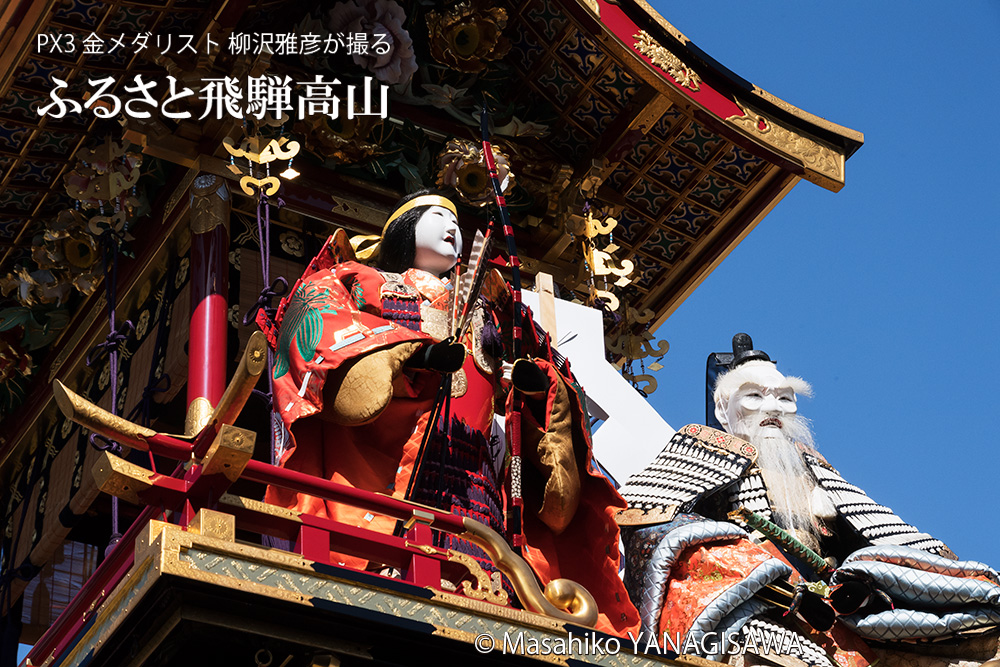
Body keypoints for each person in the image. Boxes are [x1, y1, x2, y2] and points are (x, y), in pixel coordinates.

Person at [258, 189, 638, 636]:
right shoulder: (363, 280)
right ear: (404, 228)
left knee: (485, 575)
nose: (452, 228)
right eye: (437, 216)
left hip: (473, 471)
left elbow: (539, 366)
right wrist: (407, 355)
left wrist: (536, 387)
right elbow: (319, 318)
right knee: (393, 568)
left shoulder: (492, 308)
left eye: (457, 222)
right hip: (391, 458)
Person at [616, 334, 1000, 667]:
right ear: (723, 409)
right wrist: (747, 563)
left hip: (838, 606)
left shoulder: (814, 468)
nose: (772, 408)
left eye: (785, 399)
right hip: (758, 601)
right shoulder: (701, 447)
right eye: (754, 396)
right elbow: (647, 515)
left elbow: (885, 531)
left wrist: (953, 571)